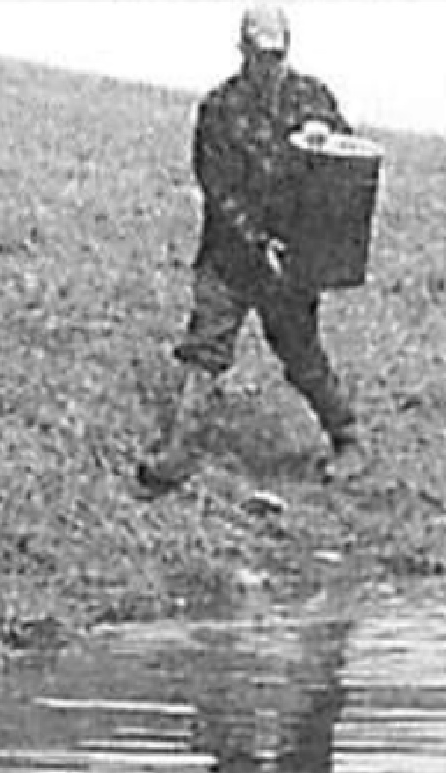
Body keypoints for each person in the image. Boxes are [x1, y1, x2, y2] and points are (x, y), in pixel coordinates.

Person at [138, 3, 370, 492]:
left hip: (289, 262)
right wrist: (255, 241)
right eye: (261, 54)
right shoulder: (219, 108)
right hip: (230, 256)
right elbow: (218, 188)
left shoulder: (313, 98)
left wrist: (325, 140)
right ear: (243, 50)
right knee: (205, 350)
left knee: (300, 352)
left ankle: (349, 440)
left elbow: (344, 167)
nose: (269, 64)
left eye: (277, 54)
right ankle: (178, 455)